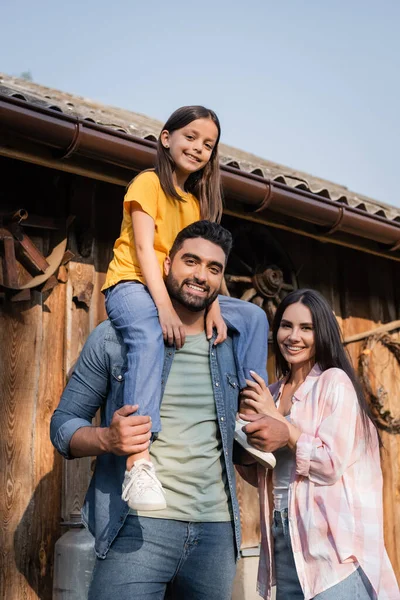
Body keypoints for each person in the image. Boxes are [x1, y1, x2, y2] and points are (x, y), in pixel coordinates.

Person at [51, 220, 289, 600]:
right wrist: (107, 439)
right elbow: (62, 426)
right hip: (135, 529)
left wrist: (274, 427)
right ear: (166, 265)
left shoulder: (231, 347)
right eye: (190, 261)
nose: (201, 276)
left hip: (215, 533)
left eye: (214, 269)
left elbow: (250, 439)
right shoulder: (115, 338)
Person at [101, 105, 229, 510]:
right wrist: (165, 309)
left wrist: (215, 305)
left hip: (171, 291)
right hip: (131, 283)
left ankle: (245, 419)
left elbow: (202, 265)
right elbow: (143, 250)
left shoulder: (194, 205)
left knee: (254, 318)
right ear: (165, 137)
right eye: (190, 137)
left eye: (207, 144)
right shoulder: (147, 183)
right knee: (147, 334)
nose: (198, 148)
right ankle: (138, 463)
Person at [238, 289, 400, 599]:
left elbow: (328, 465)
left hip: (331, 544)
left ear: (321, 333)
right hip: (282, 535)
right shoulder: (270, 393)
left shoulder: (333, 382)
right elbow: (261, 475)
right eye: (286, 326)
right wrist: (243, 443)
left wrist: (281, 425)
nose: (293, 336)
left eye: (306, 328)